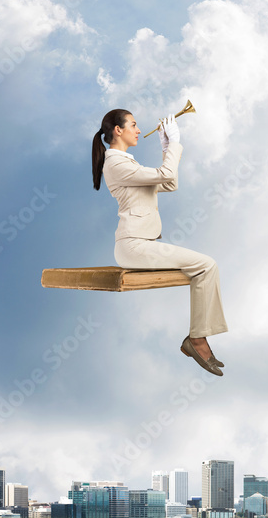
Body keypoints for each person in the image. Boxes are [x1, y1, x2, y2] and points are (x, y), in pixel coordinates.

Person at [91, 108, 227, 376]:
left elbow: (170, 183)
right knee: (207, 265)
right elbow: (166, 175)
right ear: (118, 130)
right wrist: (174, 144)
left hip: (141, 244)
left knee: (204, 268)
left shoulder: (128, 164)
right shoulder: (116, 163)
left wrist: (167, 149)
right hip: (134, 245)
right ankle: (197, 340)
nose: (139, 130)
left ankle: (198, 338)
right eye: (133, 125)